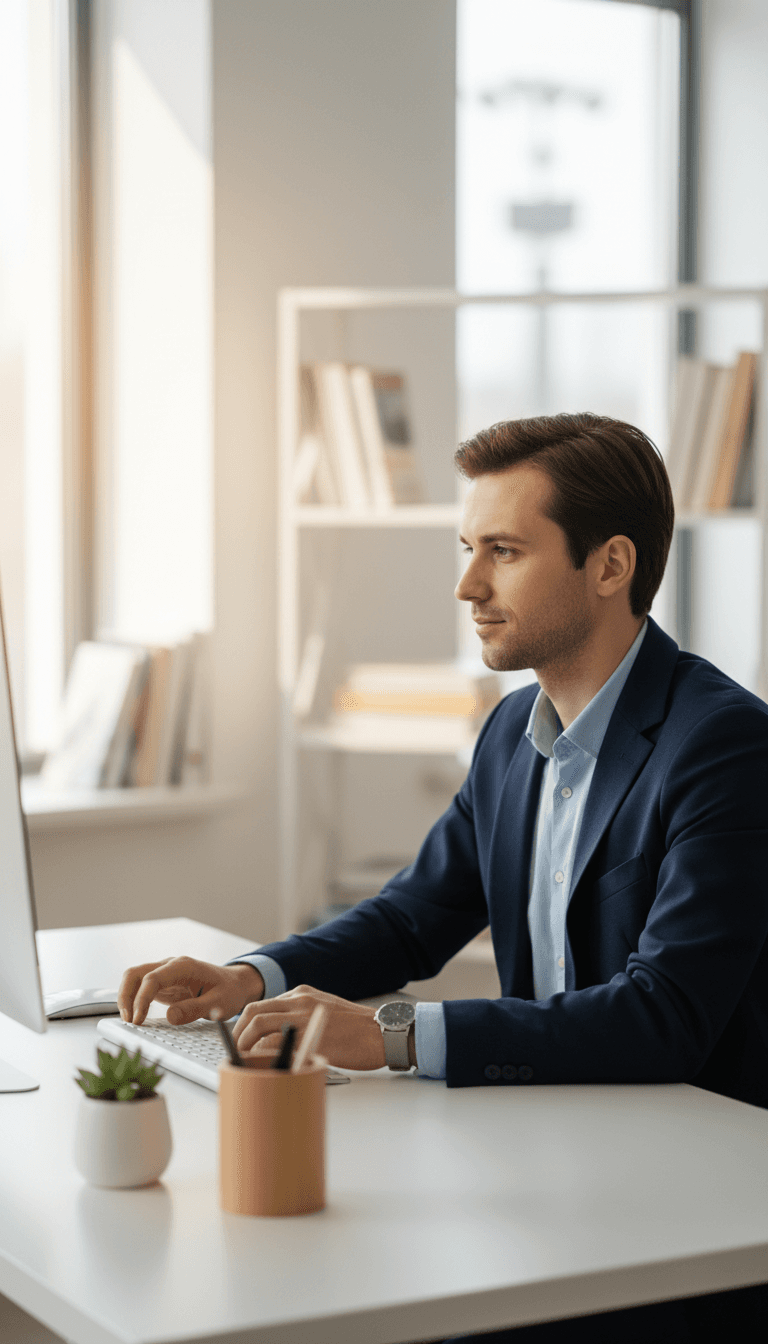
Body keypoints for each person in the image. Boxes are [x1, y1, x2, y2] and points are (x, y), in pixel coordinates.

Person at [119, 413, 768, 1340]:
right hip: (555, 1147)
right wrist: (251, 977)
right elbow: (413, 917)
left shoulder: (724, 746)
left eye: (503, 551)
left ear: (612, 565)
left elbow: (663, 1017)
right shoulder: (511, 732)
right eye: (469, 548)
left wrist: (386, 1034)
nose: (467, 585)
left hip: (698, 1193)